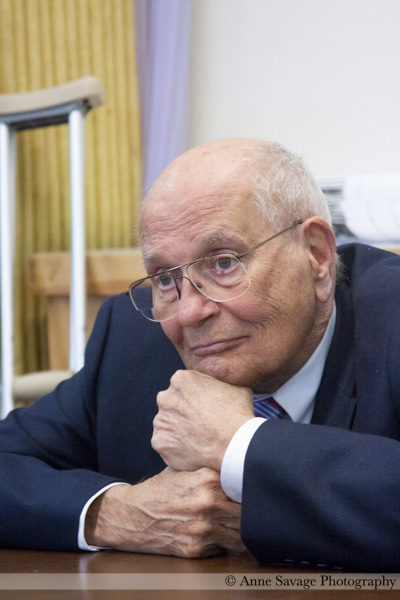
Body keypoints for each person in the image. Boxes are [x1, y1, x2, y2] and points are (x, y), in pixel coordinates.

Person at [0, 139, 399, 572]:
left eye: (224, 263)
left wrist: (239, 442)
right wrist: (115, 514)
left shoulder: (390, 315)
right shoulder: (133, 337)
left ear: (316, 254)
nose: (189, 313)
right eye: (164, 279)